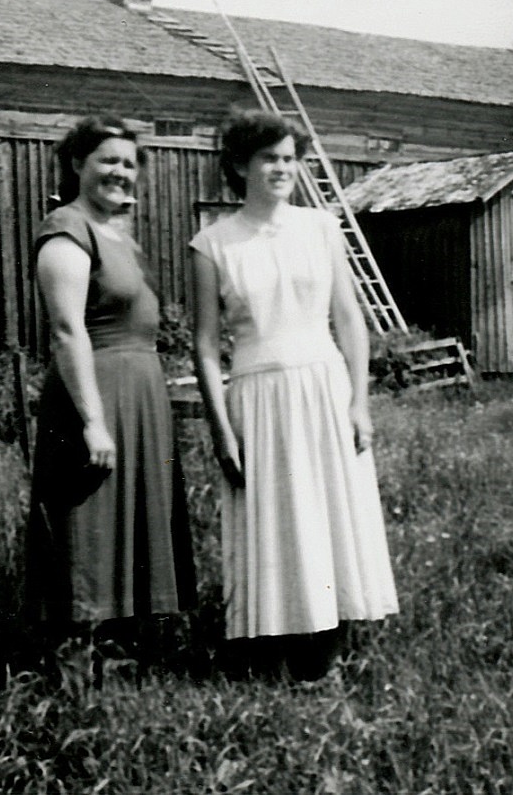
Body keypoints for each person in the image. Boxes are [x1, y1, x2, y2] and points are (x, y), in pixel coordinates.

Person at [190, 108, 398, 679]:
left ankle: (326, 660)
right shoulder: (212, 243)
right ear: (239, 165)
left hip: (324, 387)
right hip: (256, 395)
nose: (282, 169)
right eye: (269, 158)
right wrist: (220, 428)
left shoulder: (322, 228)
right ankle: (273, 660)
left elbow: (350, 320)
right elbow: (206, 345)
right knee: (277, 521)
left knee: (331, 515)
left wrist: (359, 401)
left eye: (290, 158)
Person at [25, 115, 196, 671]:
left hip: (140, 399)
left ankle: (125, 653)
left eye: (129, 163)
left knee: (135, 522)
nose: (121, 172)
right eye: (108, 161)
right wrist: (93, 421)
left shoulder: (120, 236)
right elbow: (67, 330)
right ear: (78, 164)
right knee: (89, 526)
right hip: (94, 398)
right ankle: (75, 665)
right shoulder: (66, 229)